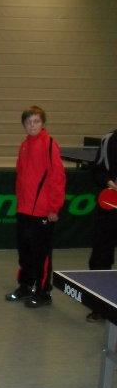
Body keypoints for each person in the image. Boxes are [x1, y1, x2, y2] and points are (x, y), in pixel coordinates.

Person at [4, 106, 66, 308]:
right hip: (24, 210)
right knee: (25, 252)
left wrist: (54, 207)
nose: (32, 125)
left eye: (36, 121)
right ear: (24, 125)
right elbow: (21, 177)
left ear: (43, 123)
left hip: (43, 211)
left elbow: (57, 177)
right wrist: (20, 203)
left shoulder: (50, 144)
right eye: (28, 122)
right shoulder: (24, 145)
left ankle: (43, 292)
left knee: (41, 254)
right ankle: (25, 286)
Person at [86, 129, 117, 322]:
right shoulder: (108, 140)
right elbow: (96, 170)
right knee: (100, 257)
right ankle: (99, 306)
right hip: (109, 208)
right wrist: (108, 181)